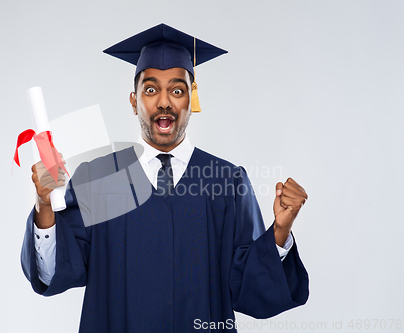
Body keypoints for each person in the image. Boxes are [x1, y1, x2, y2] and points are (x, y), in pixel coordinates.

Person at [21, 23, 309, 333]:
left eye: (176, 90)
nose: (163, 102)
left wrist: (280, 231)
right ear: (134, 102)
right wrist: (45, 208)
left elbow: (248, 290)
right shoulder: (99, 179)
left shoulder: (227, 182)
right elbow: (56, 273)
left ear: (190, 102)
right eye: (150, 89)